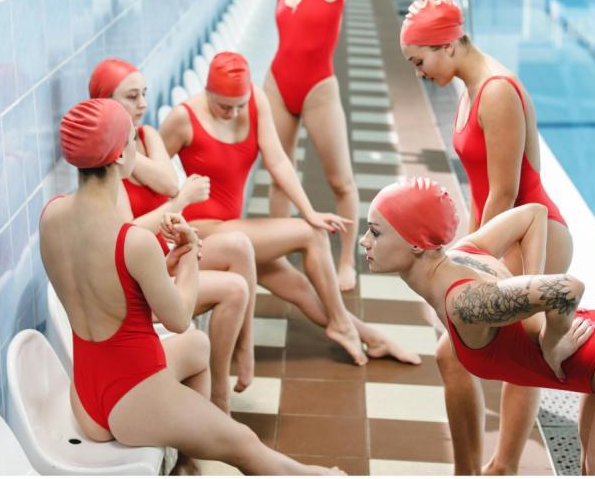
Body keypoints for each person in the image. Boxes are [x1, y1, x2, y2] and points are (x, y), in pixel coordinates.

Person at [40, 98, 342, 475]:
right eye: (133, 139)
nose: (138, 146)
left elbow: (108, 296)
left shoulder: (51, 216)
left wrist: (159, 269)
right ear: (119, 157)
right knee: (246, 445)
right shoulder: (133, 241)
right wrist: (189, 253)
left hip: (86, 395)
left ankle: (188, 461)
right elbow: (180, 316)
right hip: (133, 393)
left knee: (199, 347)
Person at [359, 178, 595, 475]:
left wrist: (552, 340)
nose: (365, 241)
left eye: (375, 232)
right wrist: (533, 284)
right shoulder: (464, 254)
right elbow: (532, 214)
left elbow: (566, 288)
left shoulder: (463, 303)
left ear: (416, 243)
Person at [400, 0, 575, 473]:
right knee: (493, 352)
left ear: (448, 45)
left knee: (453, 352)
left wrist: (467, 259)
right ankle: (491, 469)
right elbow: (487, 189)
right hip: (505, 233)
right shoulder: (471, 86)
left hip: (530, 233)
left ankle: (493, 469)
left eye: (420, 61)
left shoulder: (497, 90)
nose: (419, 71)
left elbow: (506, 192)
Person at [159, 52, 420, 367]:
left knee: (299, 286)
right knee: (311, 236)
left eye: (240, 105)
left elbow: (278, 159)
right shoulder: (183, 118)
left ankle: (370, 337)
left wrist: (308, 209)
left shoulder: (255, 101)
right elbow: (151, 178)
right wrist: (167, 227)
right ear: (207, 93)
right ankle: (341, 324)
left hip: (233, 228)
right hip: (204, 234)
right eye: (224, 106)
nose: (234, 113)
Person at [88, 58, 258, 413]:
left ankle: (243, 353)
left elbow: (167, 182)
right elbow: (129, 235)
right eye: (132, 97)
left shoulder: (147, 137)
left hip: (162, 257)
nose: (143, 105)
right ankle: (220, 396)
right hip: (138, 282)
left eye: (144, 94)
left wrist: (127, 152)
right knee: (235, 288)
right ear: (105, 103)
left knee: (240, 247)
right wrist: (179, 202)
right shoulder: (103, 169)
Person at [220, 0, 360, 292]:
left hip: (318, 88)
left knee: (340, 180)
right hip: (278, 84)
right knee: (279, 177)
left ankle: (346, 261)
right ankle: (276, 257)